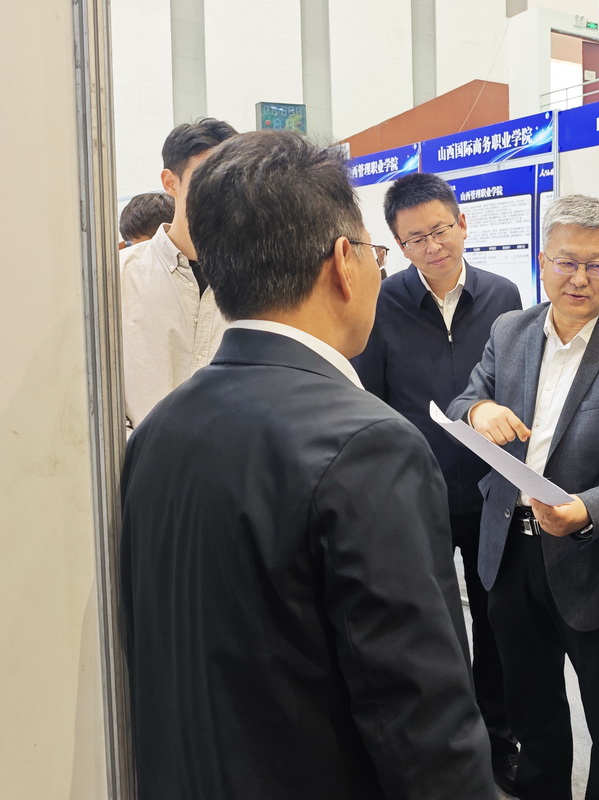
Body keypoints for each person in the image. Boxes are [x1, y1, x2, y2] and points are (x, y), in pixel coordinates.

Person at [119, 130, 494, 800]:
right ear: (345, 262)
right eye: (379, 252)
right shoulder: (367, 444)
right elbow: (423, 724)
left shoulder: (159, 429)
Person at [447, 194, 599, 800]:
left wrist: (586, 510)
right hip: (510, 554)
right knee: (533, 714)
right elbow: (464, 400)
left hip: (598, 561)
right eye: (567, 262)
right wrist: (480, 409)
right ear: (543, 261)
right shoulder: (510, 331)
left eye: (597, 265)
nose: (580, 278)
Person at [351, 171, 523, 793]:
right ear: (398, 245)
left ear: (463, 224)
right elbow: (369, 398)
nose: (433, 246)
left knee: (496, 622)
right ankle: (443, 742)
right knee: (427, 623)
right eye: (415, 238)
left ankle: (498, 738)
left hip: (490, 491)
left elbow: (513, 386)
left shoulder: (504, 295)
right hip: (413, 493)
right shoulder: (382, 300)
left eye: (441, 230)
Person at [120, 117, 238, 429]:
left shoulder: (258, 281)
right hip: (137, 456)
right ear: (171, 182)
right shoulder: (118, 276)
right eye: (206, 180)